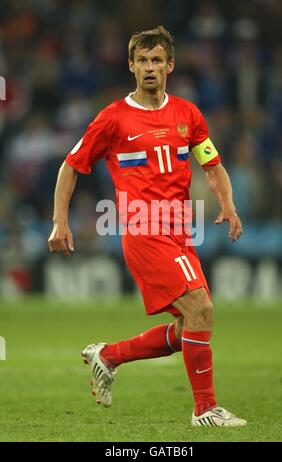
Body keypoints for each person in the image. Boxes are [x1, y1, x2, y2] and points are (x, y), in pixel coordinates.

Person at [48, 26, 246, 427]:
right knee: (202, 308)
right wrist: (59, 222)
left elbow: (213, 165)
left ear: (170, 65)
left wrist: (228, 204)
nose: (150, 67)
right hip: (144, 230)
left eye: (157, 60)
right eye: (142, 61)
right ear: (131, 66)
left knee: (188, 322)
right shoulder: (113, 118)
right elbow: (71, 166)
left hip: (179, 232)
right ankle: (205, 410)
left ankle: (110, 355)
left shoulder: (188, 114)